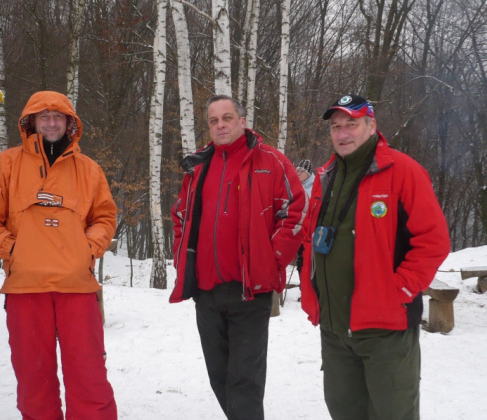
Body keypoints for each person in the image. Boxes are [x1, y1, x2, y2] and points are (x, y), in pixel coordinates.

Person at [299, 94, 450, 420]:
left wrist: (398, 293)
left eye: (351, 125)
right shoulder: (326, 176)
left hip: (386, 333)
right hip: (335, 330)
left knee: (393, 414)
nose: (342, 133)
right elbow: (311, 240)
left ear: (371, 126)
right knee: (345, 412)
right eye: (336, 127)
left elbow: (433, 241)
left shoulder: (403, 171)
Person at [0, 91, 119, 420]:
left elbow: (105, 219)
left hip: (77, 287)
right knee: (34, 379)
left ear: (69, 124)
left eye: (58, 116)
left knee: (89, 375)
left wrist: (86, 249)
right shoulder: (6, 165)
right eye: (44, 115)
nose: (52, 121)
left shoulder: (89, 170)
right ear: (30, 122)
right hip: (25, 288)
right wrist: (15, 250)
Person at [170, 95, 306, 419]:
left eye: (227, 118)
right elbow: (180, 215)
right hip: (206, 292)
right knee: (219, 377)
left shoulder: (270, 161)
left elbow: (296, 211)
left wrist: (271, 259)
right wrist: (181, 260)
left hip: (250, 291)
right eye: (214, 120)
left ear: (242, 121)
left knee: (244, 380)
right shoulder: (199, 165)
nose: (221, 125)